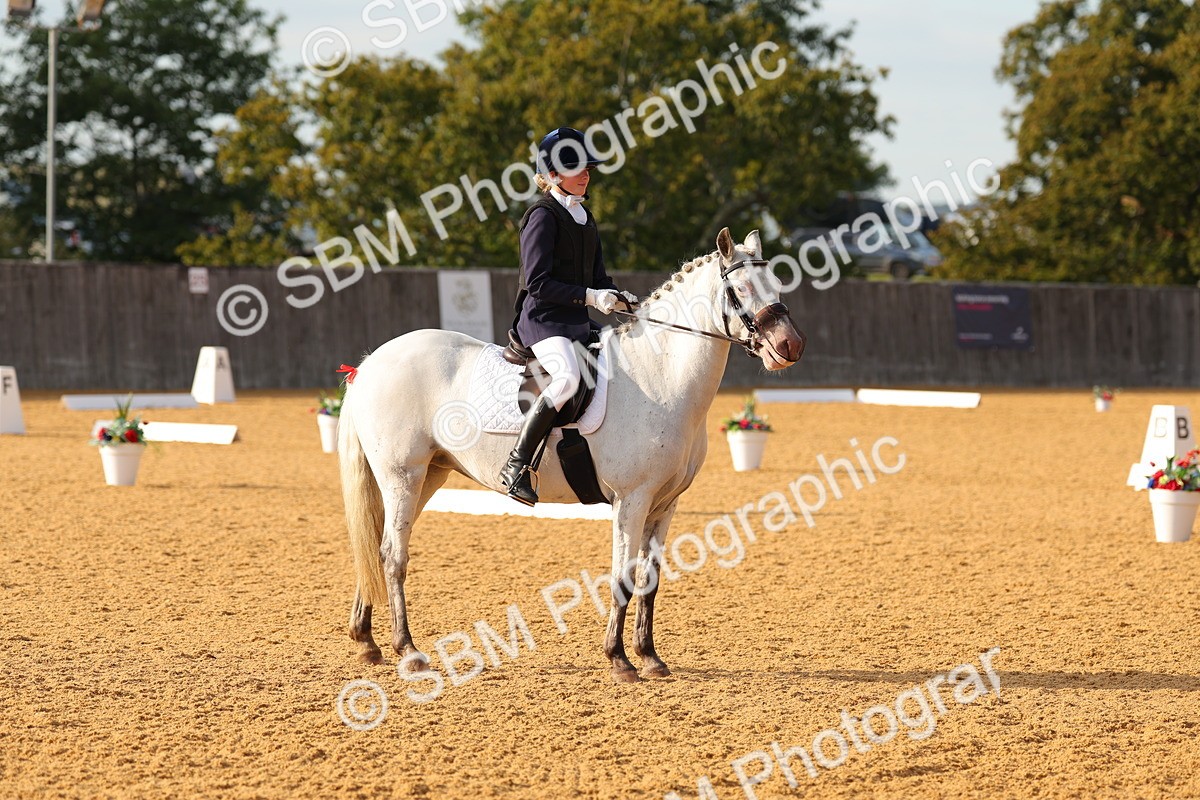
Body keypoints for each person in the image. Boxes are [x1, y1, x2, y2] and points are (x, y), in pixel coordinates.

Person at [499, 127, 637, 506]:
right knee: (568, 377)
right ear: (554, 174)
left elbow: (598, 278)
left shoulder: (584, 217)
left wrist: (619, 297)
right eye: (577, 168)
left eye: (588, 167)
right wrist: (592, 297)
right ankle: (516, 466)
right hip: (542, 320)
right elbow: (538, 284)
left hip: (575, 321)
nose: (587, 174)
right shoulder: (542, 217)